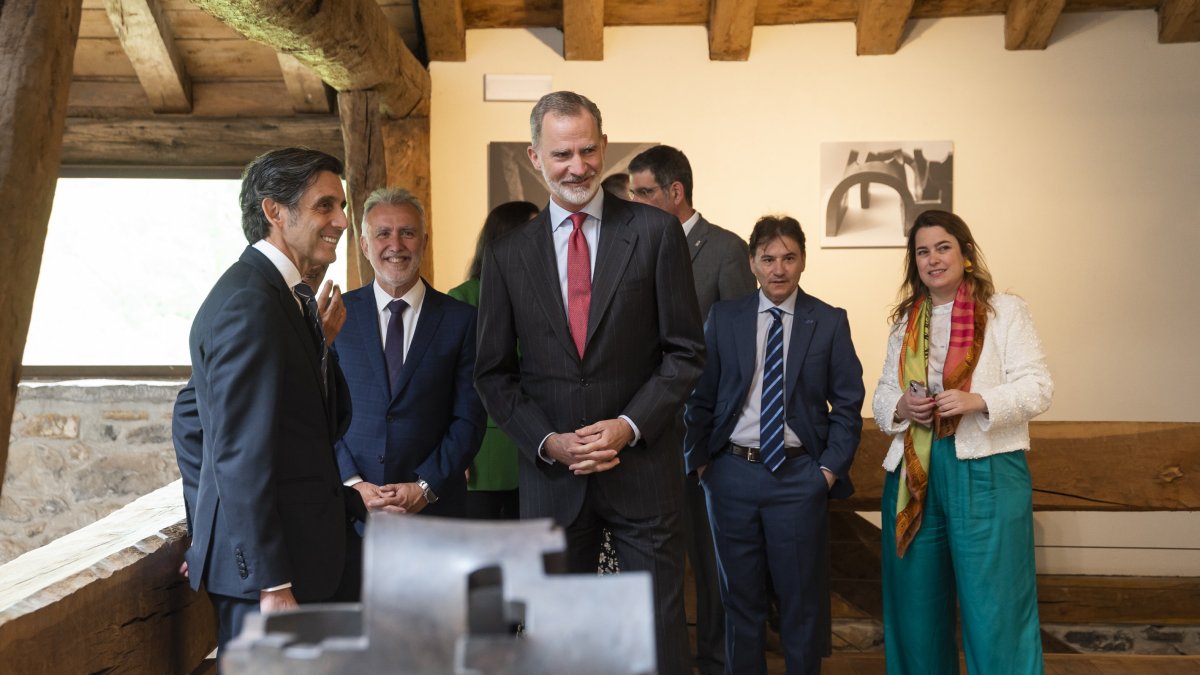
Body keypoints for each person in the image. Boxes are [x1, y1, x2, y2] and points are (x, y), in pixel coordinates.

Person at [474, 91, 705, 675]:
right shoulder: (507, 255)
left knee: (656, 639)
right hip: (552, 481)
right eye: (560, 154)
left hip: (643, 475)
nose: (576, 166)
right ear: (534, 157)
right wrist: (547, 442)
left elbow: (684, 353)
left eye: (585, 150)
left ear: (603, 147)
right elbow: (493, 374)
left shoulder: (655, 233)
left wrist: (629, 427)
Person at [179, 148, 359, 659]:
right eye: (325, 206)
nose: (341, 221)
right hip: (274, 584)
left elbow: (192, 418)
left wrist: (319, 346)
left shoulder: (285, 299)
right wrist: (268, 578)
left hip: (301, 564)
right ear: (275, 212)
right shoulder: (251, 303)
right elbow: (237, 452)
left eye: (341, 207)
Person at [872, 209, 1053, 674]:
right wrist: (901, 409)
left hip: (987, 469)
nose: (933, 259)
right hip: (915, 472)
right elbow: (882, 397)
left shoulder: (1006, 311)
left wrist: (978, 401)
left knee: (996, 609)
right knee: (915, 609)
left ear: (966, 253)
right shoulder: (906, 320)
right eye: (922, 252)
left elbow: (1038, 387)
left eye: (943, 247)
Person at [684, 215, 864, 675]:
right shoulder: (725, 318)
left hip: (798, 478)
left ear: (803, 260)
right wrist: (703, 466)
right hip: (730, 476)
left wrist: (826, 472)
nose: (778, 269)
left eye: (788, 258)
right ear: (752, 263)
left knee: (800, 603)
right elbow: (698, 397)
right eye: (768, 258)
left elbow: (847, 403)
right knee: (739, 604)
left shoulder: (827, 321)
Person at [628, 144, 755, 675]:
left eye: (643, 192)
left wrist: (715, 436)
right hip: (642, 434)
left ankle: (717, 661)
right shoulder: (632, 244)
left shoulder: (725, 250)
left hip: (705, 439)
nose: (632, 201)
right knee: (656, 561)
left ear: (675, 192)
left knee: (711, 560)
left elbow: (743, 351)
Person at [334, 186, 486, 523]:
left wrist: (426, 486)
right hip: (350, 514)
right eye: (383, 234)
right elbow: (321, 413)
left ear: (424, 241)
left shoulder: (462, 321)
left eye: (408, 233)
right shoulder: (336, 316)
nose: (396, 245)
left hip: (435, 509)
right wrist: (354, 483)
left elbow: (469, 419)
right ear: (364, 245)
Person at [448, 200, 539, 520]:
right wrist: (456, 455)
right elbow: (451, 384)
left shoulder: (547, 295)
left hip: (538, 447)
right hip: (482, 450)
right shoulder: (463, 298)